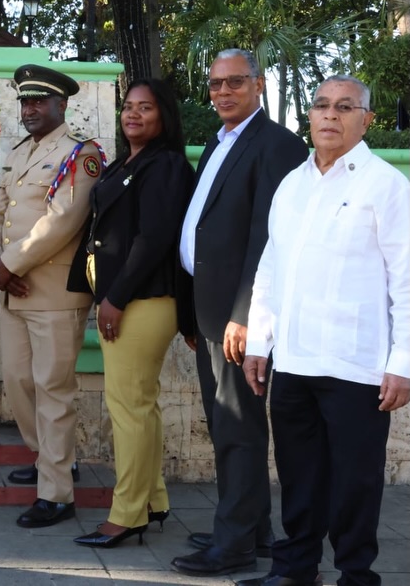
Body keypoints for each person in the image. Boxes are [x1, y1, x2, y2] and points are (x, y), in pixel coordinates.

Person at [236, 75, 409, 586]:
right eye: (321, 106)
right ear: (308, 116)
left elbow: (407, 280)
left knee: (355, 481)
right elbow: (270, 267)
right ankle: (296, 568)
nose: (330, 115)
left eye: (345, 107)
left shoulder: (386, 185)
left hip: (356, 363)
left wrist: (402, 363)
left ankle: (357, 575)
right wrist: (260, 343)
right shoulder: (293, 183)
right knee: (298, 475)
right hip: (293, 360)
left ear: (366, 120)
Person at [171, 49, 308, 577]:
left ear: (259, 84)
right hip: (211, 314)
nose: (223, 93)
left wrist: (247, 316)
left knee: (236, 428)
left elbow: (266, 240)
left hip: (239, 318)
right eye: (214, 85)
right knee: (232, 424)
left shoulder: (275, 145)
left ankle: (233, 548)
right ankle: (252, 528)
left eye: (234, 83)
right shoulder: (220, 139)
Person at [67, 78, 195, 548]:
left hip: (143, 301)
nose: (133, 114)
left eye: (146, 108)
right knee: (142, 406)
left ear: (164, 116)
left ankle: (126, 515)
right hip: (127, 298)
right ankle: (153, 501)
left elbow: (153, 239)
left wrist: (115, 298)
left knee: (128, 410)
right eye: (128, 106)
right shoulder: (127, 163)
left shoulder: (165, 166)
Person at [0, 64, 103, 528]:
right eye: (25, 102)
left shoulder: (80, 155)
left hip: (51, 292)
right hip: (12, 290)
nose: (30, 109)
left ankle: (57, 493)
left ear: (62, 105)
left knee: (53, 389)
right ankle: (49, 456)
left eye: (39, 102)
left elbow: (63, 222)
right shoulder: (19, 153)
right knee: (18, 381)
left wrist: (7, 265)